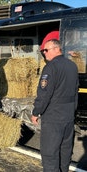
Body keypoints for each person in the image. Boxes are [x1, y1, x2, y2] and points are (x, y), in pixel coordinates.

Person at [31, 31, 79, 172]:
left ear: (55, 49)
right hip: (68, 116)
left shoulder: (51, 67)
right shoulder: (72, 66)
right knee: (65, 151)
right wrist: (72, 111)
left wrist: (36, 112)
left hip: (53, 117)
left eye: (46, 50)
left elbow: (44, 94)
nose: (44, 53)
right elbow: (75, 92)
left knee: (50, 153)